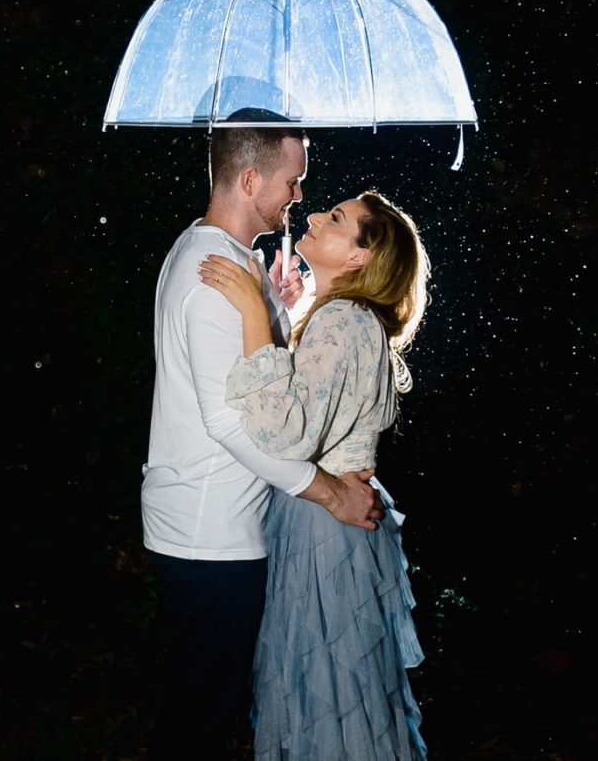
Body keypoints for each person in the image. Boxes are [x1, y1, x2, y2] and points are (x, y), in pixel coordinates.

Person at [143, 109, 384, 760]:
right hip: (208, 536)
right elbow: (231, 422)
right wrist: (329, 492)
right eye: (293, 181)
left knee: (204, 711)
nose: (299, 196)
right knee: (200, 722)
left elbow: (247, 382)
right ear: (251, 181)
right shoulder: (215, 273)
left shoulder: (221, 256)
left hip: (208, 527)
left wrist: (278, 311)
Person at [198, 190, 430, 760]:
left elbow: (286, 433)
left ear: (358, 259)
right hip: (334, 527)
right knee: (330, 684)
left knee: (320, 687)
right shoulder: (344, 319)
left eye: (336, 220)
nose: (314, 217)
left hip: (323, 529)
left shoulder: (344, 321)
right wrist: (281, 313)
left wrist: (254, 310)